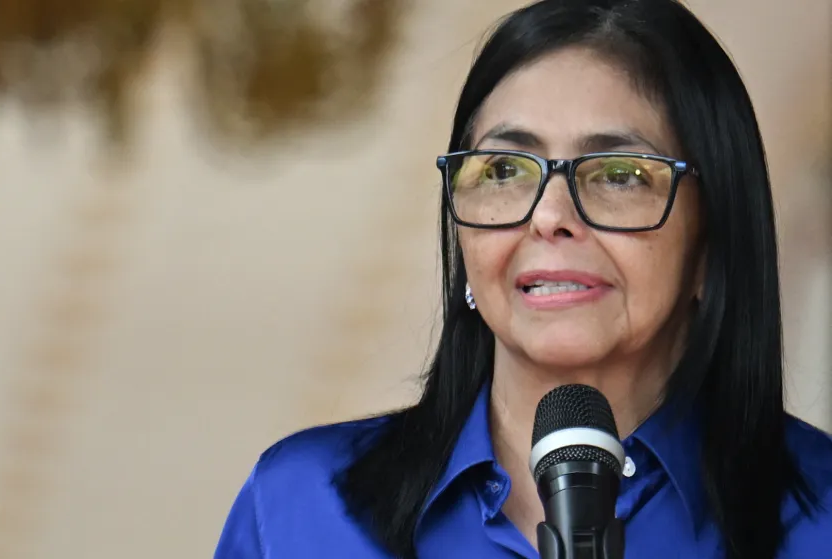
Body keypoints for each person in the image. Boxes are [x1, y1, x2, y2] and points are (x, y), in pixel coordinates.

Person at [213, 0, 832, 557]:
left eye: (618, 174)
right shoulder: (301, 511)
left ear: (712, 243)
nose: (550, 216)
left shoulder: (819, 522)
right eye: (505, 168)